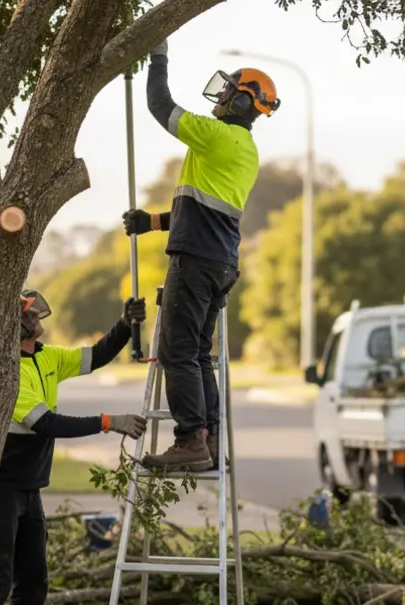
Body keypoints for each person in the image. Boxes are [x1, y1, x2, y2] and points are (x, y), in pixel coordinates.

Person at [121, 39, 280, 472]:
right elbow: (198, 209)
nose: (221, 95)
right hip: (219, 261)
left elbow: (160, 105)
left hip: (195, 261)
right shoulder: (242, 151)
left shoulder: (216, 136)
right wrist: (151, 223)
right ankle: (207, 440)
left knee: (176, 352)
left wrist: (158, 55)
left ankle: (190, 439)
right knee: (196, 355)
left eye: (229, 90)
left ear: (244, 101)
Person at [0, 289, 147, 605]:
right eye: (31, 316)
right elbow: (48, 425)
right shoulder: (8, 372)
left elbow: (95, 356)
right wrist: (109, 422)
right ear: (18, 327)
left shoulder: (47, 357)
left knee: (34, 578)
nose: (38, 320)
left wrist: (126, 326)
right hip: (1, 490)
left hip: (30, 487)